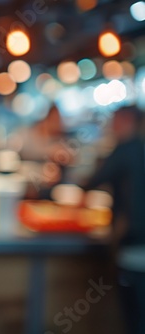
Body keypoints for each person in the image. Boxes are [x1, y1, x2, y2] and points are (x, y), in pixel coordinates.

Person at [82, 105, 145, 334]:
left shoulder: (126, 150)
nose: (111, 126)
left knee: (135, 317)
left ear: (126, 120)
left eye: (115, 120)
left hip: (133, 246)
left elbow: (95, 181)